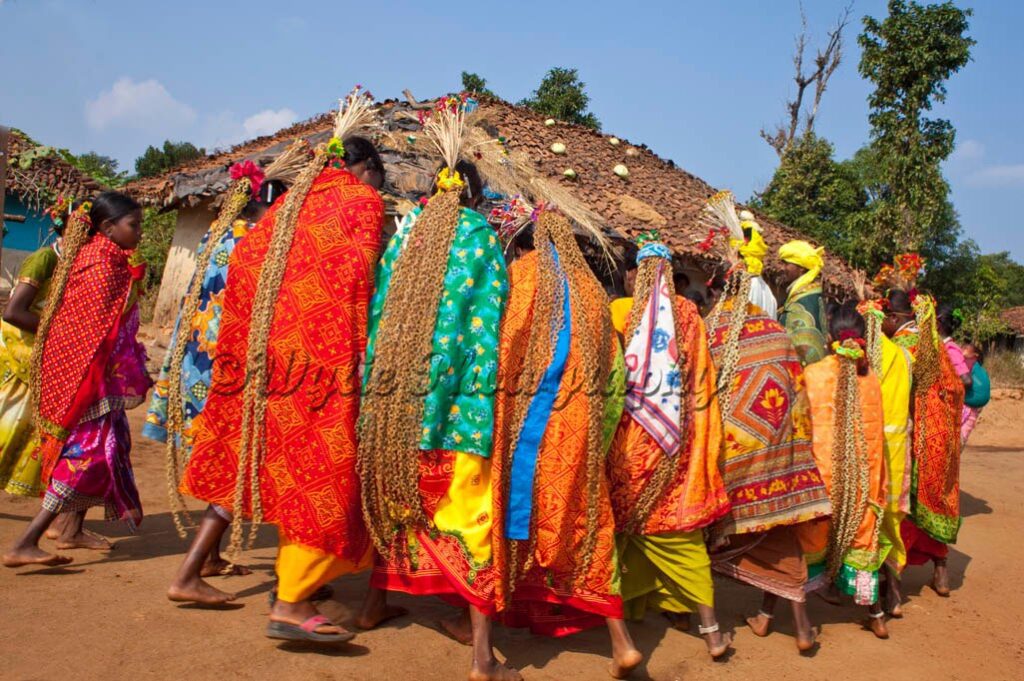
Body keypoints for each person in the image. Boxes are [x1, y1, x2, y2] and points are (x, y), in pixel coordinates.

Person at [179, 93, 387, 643]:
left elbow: (245, 270)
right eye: (377, 182)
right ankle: (293, 603)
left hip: (264, 366)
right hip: (324, 363)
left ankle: (297, 588)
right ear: (364, 171)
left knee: (284, 471)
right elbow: (360, 289)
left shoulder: (287, 208)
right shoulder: (360, 205)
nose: (378, 194)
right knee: (323, 474)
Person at [357, 93, 518, 681]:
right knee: (469, 521)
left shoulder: (406, 237)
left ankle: (374, 604)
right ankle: (481, 657)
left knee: (399, 507)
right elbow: (491, 331)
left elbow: (379, 313)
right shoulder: (480, 242)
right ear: (473, 195)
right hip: (458, 416)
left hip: (393, 411)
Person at [489, 207, 640, 679]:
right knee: (587, 523)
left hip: (526, 428)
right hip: (580, 426)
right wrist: (599, 431)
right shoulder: (594, 292)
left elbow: (502, 344)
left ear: (527, 241)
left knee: (512, 522)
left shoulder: (519, 277)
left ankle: (488, 630)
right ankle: (622, 644)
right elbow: (615, 375)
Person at [151, 145, 305, 588]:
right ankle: (195, 571)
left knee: (222, 462)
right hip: (228, 365)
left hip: (197, 360)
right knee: (235, 463)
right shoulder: (256, 242)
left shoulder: (217, 234)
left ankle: (212, 560)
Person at [2, 192, 151, 568]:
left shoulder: (106, 258)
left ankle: (69, 529)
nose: (140, 234)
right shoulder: (101, 264)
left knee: (109, 448)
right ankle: (27, 540)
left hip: (94, 375)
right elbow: (91, 331)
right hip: (88, 377)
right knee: (85, 456)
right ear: (106, 227)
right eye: (134, 226)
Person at [607, 232, 732, 659]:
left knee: (630, 531)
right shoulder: (689, 314)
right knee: (679, 533)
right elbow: (703, 378)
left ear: (633, 275)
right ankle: (708, 629)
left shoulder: (622, 312)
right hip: (677, 443)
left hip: (628, 449)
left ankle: (635, 622)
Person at [703, 267, 831, 653]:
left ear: (719, 295)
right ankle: (795, 625)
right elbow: (799, 398)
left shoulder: (712, 334)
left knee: (700, 543)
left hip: (734, 463)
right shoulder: (778, 333)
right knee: (781, 534)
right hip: (781, 458)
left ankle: (700, 623)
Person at [800, 302, 890, 638]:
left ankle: (774, 614)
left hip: (822, 482)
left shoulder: (813, 375)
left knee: (806, 546)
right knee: (863, 544)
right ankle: (876, 614)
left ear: (829, 337)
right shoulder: (871, 380)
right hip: (862, 485)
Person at [891, 294, 965, 598]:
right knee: (935, 499)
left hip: (915, 437)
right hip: (941, 435)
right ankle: (941, 570)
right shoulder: (934, 342)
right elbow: (956, 386)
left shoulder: (903, 346)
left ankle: (893, 578)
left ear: (895, 317)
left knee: (905, 505)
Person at [859, 298, 914, 617]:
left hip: (870, 453)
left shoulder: (862, 357)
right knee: (891, 522)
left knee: (866, 525)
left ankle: (867, 600)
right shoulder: (904, 356)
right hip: (897, 453)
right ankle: (893, 592)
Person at [777, 240, 828, 365]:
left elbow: (805, 350)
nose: (782, 268)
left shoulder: (804, 300)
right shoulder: (807, 295)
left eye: (787, 264)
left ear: (801, 268)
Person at [960, 342, 988, 445]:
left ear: (974, 356)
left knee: (957, 440)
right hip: (973, 409)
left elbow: (966, 382)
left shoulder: (967, 365)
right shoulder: (980, 370)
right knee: (962, 437)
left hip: (965, 407)